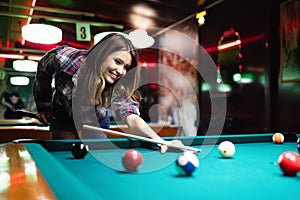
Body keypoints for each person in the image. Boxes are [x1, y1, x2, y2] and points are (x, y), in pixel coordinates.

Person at [33, 33, 185, 153]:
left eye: (126, 67)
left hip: (95, 122)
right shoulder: (65, 58)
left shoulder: (119, 86)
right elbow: (44, 68)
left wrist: (159, 140)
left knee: (99, 157)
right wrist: (43, 104)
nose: (121, 71)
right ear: (101, 54)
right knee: (64, 152)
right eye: (118, 62)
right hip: (63, 115)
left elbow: (131, 117)